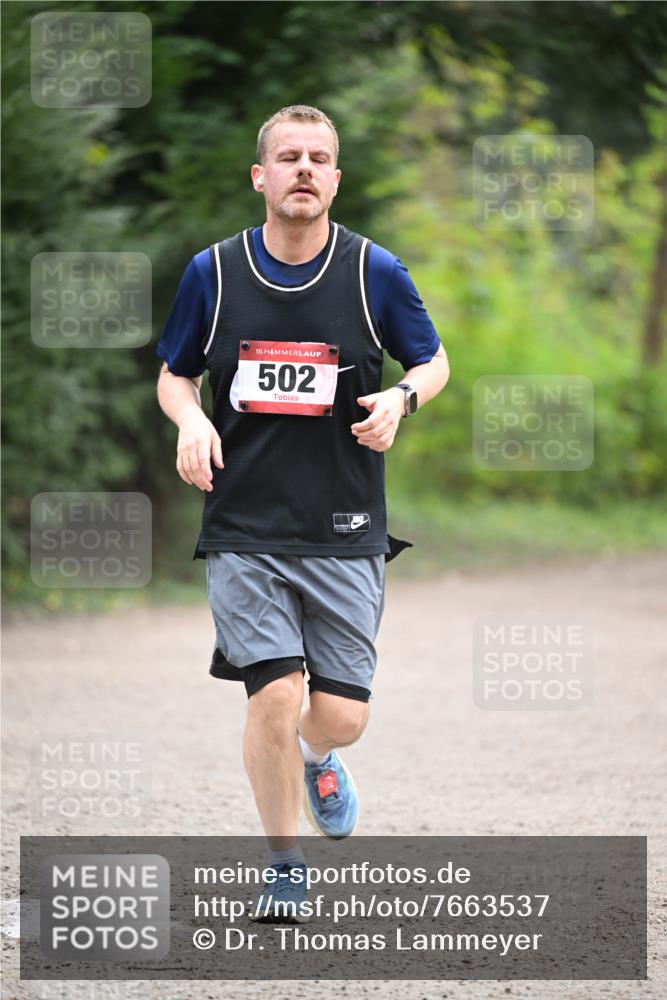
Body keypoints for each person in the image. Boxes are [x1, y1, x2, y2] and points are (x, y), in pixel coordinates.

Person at [156, 105, 449, 922]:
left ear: (335, 178)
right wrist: (191, 418)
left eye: (319, 158)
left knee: (342, 717)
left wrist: (399, 397)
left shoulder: (372, 272)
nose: (304, 169)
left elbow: (432, 361)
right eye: (288, 157)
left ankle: (320, 757)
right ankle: (283, 863)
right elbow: (175, 373)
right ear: (261, 176)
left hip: (343, 528)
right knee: (274, 694)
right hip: (245, 525)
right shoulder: (212, 272)